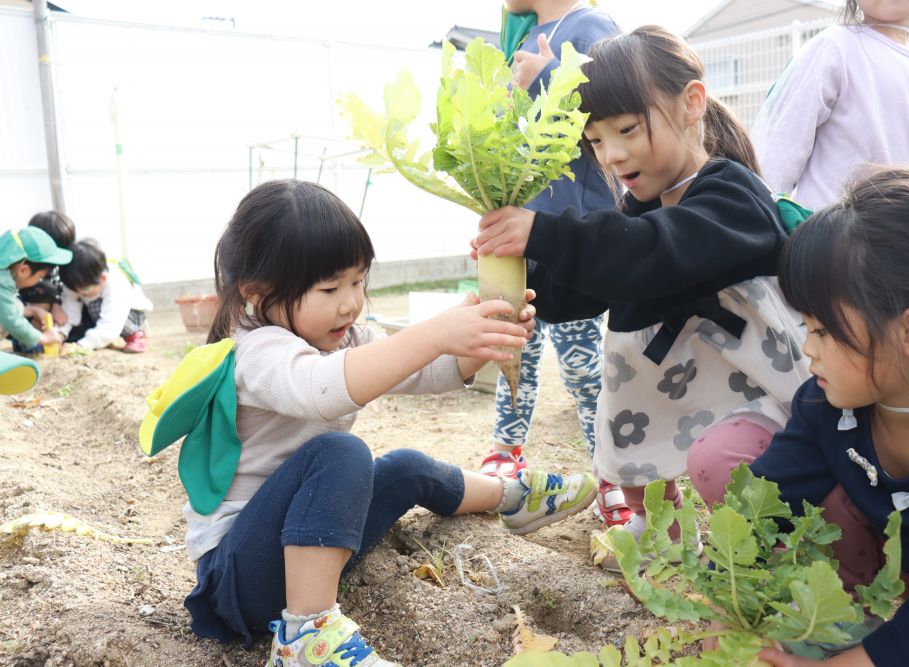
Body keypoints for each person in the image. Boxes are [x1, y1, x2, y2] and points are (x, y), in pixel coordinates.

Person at [143, 180, 597, 666]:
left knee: (404, 468)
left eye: (358, 281)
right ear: (258, 293)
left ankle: (511, 497)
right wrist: (435, 332)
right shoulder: (256, 351)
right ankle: (304, 637)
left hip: (305, 547)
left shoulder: (344, 337)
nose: (350, 302)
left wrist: (478, 340)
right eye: (329, 288)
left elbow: (429, 371)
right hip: (240, 576)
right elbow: (323, 389)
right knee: (341, 453)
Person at [472, 26, 810, 569]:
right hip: (669, 381)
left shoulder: (731, 191)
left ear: (691, 104)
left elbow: (655, 252)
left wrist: (546, 233)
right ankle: (663, 532)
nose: (612, 154)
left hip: (745, 383)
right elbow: (600, 279)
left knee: (729, 464)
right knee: (631, 455)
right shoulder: (640, 208)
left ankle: (771, 545)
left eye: (627, 129)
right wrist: (532, 287)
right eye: (597, 140)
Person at [689, 166, 909, 667]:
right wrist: (721, 601)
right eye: (806, 326)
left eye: (824, 331)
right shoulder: (827, 405)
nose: (808, 349)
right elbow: (765, 498)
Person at [485, 0, 626, 526]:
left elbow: (613, 103)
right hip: (522, 229)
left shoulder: (592, 27)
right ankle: (506, 449)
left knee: (583, 366)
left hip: (572, 234)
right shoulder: (519, 36)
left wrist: (545, 80)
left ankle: (612, 472)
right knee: (511, 346)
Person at [752, 0, 909, 211]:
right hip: (833, 243)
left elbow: (774, 158)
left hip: (846, 244)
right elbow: (777, 161)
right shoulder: (833, 49)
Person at [57, 240, 153, 353]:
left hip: (129, 314)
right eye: (75, 289)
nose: (80, 292)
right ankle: (98, 338)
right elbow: (69, 310)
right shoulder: (77, 281)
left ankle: (137, 335)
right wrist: (60, 334)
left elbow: (111, 322)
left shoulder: (115, 283)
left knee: (96, 308)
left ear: (102, 278)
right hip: (100, 313)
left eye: (85, 289)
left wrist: (82, 345)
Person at [0, 227, 70, 353]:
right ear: (23, 270)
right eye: (40, 277)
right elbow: (11, 319)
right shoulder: (2, 282)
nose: (39, 281)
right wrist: (43, 338)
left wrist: (32, 310)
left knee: (15, 305)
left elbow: (6, 306)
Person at [13, 211, 75, 353]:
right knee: (43, 290)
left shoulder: (62, 264)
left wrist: (56, 303)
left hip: (53, 315)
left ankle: (55, 337)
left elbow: (66, 289)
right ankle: (32, 341)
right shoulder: (22, 264)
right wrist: (37, 308)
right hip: (24, 314)